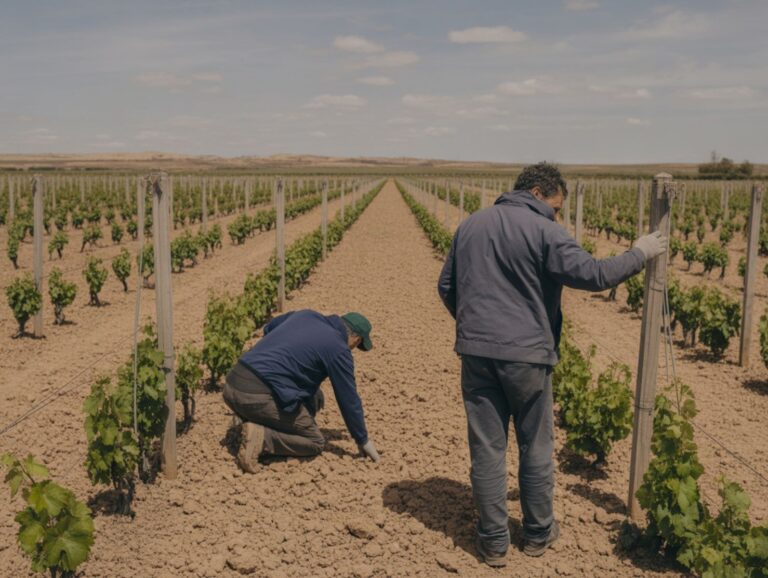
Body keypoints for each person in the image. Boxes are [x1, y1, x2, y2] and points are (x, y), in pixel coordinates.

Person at [437, 163, 667, 566]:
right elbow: (594, 275)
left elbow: (446, 286)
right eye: (556, 207)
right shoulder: (545, 230)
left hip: (476, 353)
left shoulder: (470, 225)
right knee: (535, 445)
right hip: (527, 356)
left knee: (487, 449)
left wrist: (476, 329)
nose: (557, 215)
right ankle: (538, 534)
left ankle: (493, 543)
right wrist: (639, 253)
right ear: (540, 193)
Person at [223, 309, 380, 472]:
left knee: (312, 396)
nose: (354, 348)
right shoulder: (339, 348)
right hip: (255, 396)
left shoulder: (307, 315)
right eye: (358, 344)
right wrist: (362, 439)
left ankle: (246, 416)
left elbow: (269, 328)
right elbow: (348, 398)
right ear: (355, 338)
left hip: (232, 384)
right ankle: (263, 438)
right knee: (314, 441)